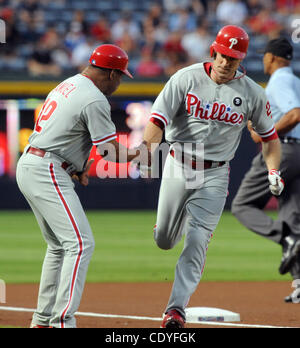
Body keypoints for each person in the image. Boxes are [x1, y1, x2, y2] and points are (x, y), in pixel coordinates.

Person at [141, 25, 284, 328]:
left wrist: (273, 170)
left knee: (197, 239)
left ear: (241, 59)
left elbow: (270, 138)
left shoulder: (253, 93)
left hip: (216, 172)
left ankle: (175, 309)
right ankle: (168, 227)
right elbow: (156, 120)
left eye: (232, 59)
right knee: (165, 240)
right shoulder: (185, 78)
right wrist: (146, 154)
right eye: (222, 55)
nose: (225, 63)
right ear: (213, 51)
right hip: (179, 163)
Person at [16, 44, 145, 328]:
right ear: (111, 73)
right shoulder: (94, 98)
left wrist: (77, 166)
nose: (120, 81)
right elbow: (110, 151)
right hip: (47, 169)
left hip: (34, 163)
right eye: (120, 75)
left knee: (59, 247)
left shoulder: (70, 84)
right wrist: (143, 152)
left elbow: (67, 130)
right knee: (80, 243)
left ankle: (42, 320)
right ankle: (63, 321)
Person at [231, 37, 300, 303]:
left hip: (282, 150)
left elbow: (295, 114)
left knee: (242, 205)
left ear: (271, 58)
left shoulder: (281, 80)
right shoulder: (294, 80)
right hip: (298, 153)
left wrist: (266, 133)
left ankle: (285, 239)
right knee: (292, 215)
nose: (263, 60)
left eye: (264, 56)